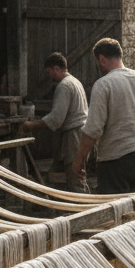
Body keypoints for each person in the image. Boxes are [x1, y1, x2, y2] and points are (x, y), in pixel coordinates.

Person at [72, 37, 135, 194]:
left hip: (117, 158)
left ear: (101, 59)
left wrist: (80, 160)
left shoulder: (103, 84)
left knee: (115, 208)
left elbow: (93, 129)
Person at [21, 52, 88, 191]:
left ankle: (86, 209)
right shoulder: (75, 82)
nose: (49, 76)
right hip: (79, 134)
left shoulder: (64, 86)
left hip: (73, 137)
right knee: (61, 174)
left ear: (57, 68)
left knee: (76, 179)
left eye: (49, 72)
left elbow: (56, 119)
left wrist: (30, 125)